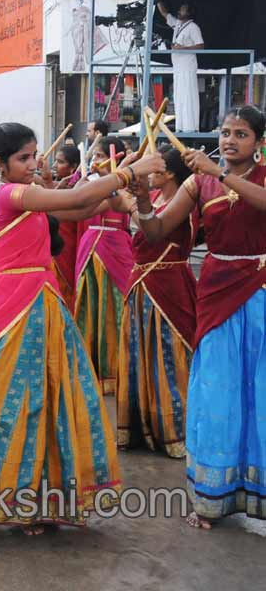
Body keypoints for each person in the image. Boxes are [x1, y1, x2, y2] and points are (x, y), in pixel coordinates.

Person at [0, 122, 165, 536]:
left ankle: (34, 499)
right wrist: (128, 172)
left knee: (45, 403)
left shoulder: (25, 193)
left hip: (42, 302)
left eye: (34, 154)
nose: (33, 163)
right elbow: (73, 196)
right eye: (24, 157)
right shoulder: (6, 193)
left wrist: (116, 198)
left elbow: (76, 208)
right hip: (10, 305)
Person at [130, 105, 266, 528]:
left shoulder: (236, 176)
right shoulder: (196, 181)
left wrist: (218, 172)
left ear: (259, 142)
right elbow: (156, 232)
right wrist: (139, 199)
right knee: (216, 390)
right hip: (215, 291)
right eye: (225, 132)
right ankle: (212, 496)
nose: (230, 140)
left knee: (259, 391)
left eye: (241, 134)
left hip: (259, 288)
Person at [117, 146, 197, 458]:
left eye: (155, 169)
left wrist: (132, 206)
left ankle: (173, 431)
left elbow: (155, 231)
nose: (150, 174)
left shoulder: (182, 202)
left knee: (168, 356)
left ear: (170, 173)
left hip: (168, 287)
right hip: (142, 285)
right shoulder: (159, 198)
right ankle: (142, 427)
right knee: (141, 355)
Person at [74, 136, 137, 396]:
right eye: (95, 156)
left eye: (102, 156)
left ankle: (118, 368)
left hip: (117, 246)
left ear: (119, 158)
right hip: (91, 244)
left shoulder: (129, 185)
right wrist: (89, 175)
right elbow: (75, 197)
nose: (98, 161)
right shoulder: (91, 183)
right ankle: (89, 368)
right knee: (89, 302)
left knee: (116, 303)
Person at [157, 1, 204, 132]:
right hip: (177, 67)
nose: (179, 11)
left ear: (189, 13)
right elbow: (165, 13)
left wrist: (183, 48)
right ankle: (181, 126)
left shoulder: (193, 27)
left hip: (187, 66)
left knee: (188, 95)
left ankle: (190, 127)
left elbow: (201, 46)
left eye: (182, 10)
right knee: (179, 96)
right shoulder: (178, 24)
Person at [51, 144, 83, 306]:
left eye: (60, 162)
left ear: (73, 168)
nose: (54, 165)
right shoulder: (60, 186)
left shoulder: (81, 191)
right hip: (54, 250)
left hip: (68, 248)